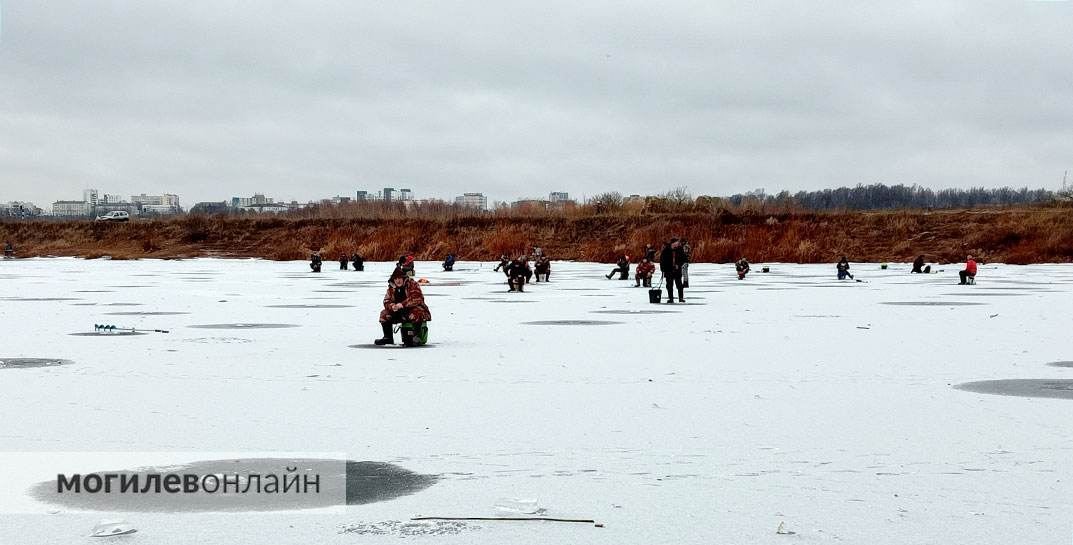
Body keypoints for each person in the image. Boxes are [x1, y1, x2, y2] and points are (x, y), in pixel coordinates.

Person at [375, 268, 432, 345]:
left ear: (403, 278)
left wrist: (402, 304)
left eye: (399, 278)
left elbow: (417, 297)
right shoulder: (391, 288)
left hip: (414, 311)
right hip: (399, 312)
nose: (398, 281)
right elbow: (386, 301)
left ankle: (416, 337)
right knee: (384, 314)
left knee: (417, 312)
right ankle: (388, 338)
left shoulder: (412, 284)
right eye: (396, 279)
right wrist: (392, 306)